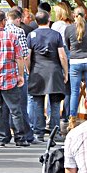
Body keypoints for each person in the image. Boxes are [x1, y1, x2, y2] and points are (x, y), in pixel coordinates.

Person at [27, 11, 68, 142]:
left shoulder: (31, 35)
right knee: (55, 104)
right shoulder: (55, 35)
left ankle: (38, 133)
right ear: (49, 20)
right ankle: (55, 133)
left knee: (37, 102)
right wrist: (65, 72)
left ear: (36, 21)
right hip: (54, 72)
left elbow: (28, 56)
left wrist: (29, 70)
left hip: (37, 71)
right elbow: (62, 55)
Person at [1, 8, 35, 144]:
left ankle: (2, 137)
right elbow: (21, 56)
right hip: (12, 74)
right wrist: (23, 73)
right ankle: (21, 137)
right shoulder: (17, 33)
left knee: (1, 109)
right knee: (17, 108)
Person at [65, 6, 87, 131]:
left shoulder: (68, 29)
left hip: (75, 62)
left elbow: (68, 46)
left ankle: (72, 120)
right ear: (85, 16)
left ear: (74, 15)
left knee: (74, 92)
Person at [52, 2, 73, 132]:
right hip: (70, 55)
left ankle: (52, 116)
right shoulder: (70, 25)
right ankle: (67, 115)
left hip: (59, 55)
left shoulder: (56, 25)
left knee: (55, 89)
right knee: (69, 89)